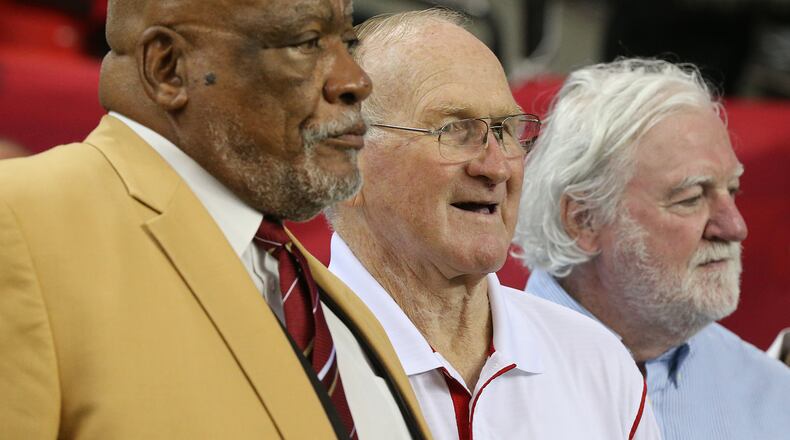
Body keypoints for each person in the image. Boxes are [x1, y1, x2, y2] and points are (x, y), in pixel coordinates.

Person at [0, 0, 432, 438]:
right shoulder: (18, 222)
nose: (356, 81)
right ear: (168, 68)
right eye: (306, 43)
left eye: (348, 43)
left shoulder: (338, 305)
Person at [326, 10, 660, 439]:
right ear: (347, 162)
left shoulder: (596, 364)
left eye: (504, 129)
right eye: (455, 129)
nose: (497, 166)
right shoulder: (291, 360)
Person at [513, 58, 790, 440]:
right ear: (584, 220)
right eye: (691, 198)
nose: (735, 227)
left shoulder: (774, 398)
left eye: (733, 191)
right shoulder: (470, 376)